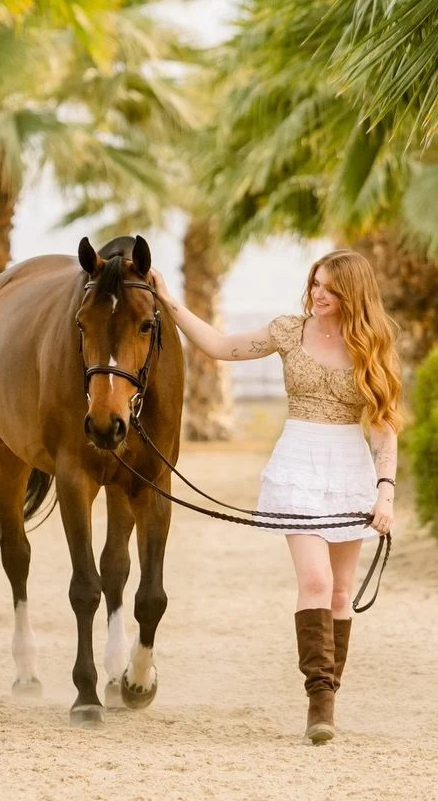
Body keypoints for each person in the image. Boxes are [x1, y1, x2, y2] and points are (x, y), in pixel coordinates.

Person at [149, 248, 401, 744]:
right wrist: (167, 300)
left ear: (353, 292)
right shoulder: (289, 330)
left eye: (329, 287)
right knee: (314, 579)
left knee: (340, 593)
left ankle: (329, 696)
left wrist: (385, 493)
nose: (317, 293)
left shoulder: (373, 343)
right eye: (315, 283)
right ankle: (318, 702)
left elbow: (385, 427)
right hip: (298, 465)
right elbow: (220, 346)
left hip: (350, 470)